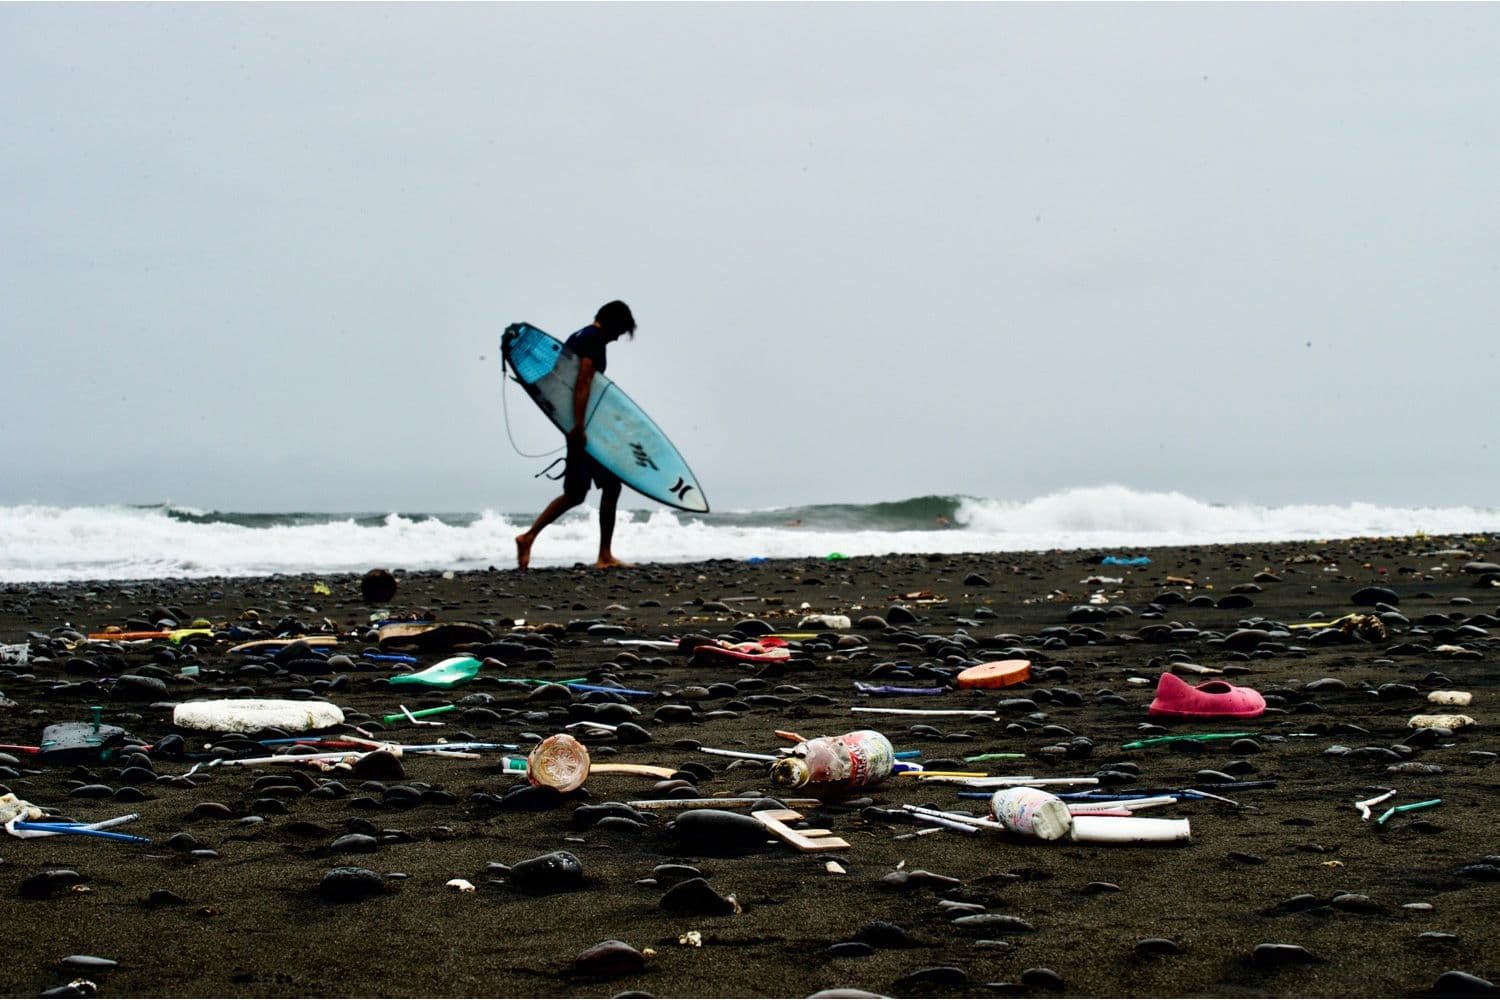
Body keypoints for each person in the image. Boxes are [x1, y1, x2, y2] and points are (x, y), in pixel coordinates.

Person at [514, 300, 636, 571]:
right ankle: (604, 555)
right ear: (612, 321)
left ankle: (528, 537)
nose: (617, 338)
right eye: (620, 330)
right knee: (611, 485)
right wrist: (580, 427)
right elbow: (582, 382)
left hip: (576, 424)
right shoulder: (593, 339)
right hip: (583, 428)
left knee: (575, 492)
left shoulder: (580, 336)